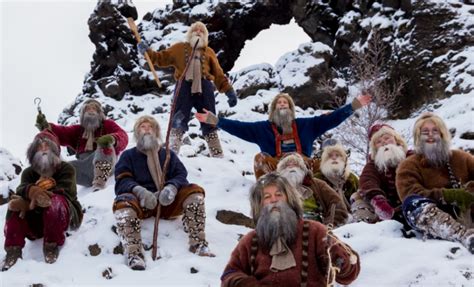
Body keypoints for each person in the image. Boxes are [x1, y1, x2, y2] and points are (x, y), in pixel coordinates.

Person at [220, 172, 360, 287]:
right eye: (267, 197)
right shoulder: (250, 240)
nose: (274, 200)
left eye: (279, 195)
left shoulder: (315, 231)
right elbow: (229, 274)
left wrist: (341, 261)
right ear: (260, 204)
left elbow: (349, 274)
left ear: (289, 199)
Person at [112, 115, 214, 270]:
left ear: (157, 132)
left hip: (167, 203)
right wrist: (141, 192)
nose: (147, 130)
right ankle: (134, 254)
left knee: (194, 192)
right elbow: (121, 180)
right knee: (123, 204)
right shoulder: (129, 155)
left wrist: (171, 188)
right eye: (143, 127)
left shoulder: (167, 154)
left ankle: (198, 243)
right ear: (137, 132)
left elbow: (181, 175)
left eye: (150, 127)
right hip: (141, 204)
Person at [196, 92, 371, 179]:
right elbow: (238, 127)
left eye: (286, 103)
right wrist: (214, 120)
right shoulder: (262, 128)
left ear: (291, 109)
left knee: (326, 160)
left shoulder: (306, 125)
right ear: (273, 110)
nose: (282, 105)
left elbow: (333, 119)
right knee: (260, 158)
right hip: (276, 170)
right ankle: (267, 191)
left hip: (304, 167)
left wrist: (354, 105)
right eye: (279, 103)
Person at [138, 21, 237, 158]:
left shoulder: (209, 52)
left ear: (205, 35)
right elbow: (161, 58)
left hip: (205, 87)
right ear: (190, 33)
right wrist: (147, 52)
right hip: (183, 87)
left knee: (210, 119)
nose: (198, 32)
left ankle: (217, 154)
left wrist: (229, 91)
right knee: (178, 118)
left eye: (201, 30)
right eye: (195, 30)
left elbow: (219, 74)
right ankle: (171, 154)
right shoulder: (179, 48)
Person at [2, 130, 83, 271]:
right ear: (33, 152)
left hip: (64, 217)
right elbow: (21, 188)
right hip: (37, 223)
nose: (44, 149)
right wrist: (30, 193)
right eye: (40, 146)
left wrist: (40, 195)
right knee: (15, 206)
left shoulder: (66, 168)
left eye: (47, 146)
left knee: (55, 201)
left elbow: (66, 191)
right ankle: (13, 251)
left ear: (55, 150)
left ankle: (51, 246)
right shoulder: (29, 172)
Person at [396, 112, 474, 253]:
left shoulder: (461, 157)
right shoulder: (408, 165)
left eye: (435, 131)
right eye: (425, 132)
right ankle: (464, 236)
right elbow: (409, 194)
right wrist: (448, 195)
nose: (430, 135)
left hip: (467, 213)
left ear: (443, 134)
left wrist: (468, 193)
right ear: (418, 137)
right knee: (412, 203)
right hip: (434, 217)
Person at [36, 99, 128, 190]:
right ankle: (46, 189)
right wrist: (46, 126)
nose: (91, 110)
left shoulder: (108, 124)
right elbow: (61, 133)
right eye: (88, 108)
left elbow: (123, 136)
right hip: (84, 169)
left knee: (105, 144)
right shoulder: (78, 130)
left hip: (106, 165)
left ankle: (99, 184)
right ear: (83, 114)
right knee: (60, 168)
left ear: (100, 113)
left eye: (94, 108)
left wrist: (113, 138)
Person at [351, 123, 410, 225]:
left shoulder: (411, 157)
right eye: (378, 141)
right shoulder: (373, 165)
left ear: (397, 140)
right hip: (387, 208)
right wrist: (379, 202)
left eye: (387, 138)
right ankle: (364, 228)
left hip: (412, 203)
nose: (384, 143)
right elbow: (368, 182)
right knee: (358, 196)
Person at [276, 152, 348, 227]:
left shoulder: (317, 184)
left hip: (315, 227)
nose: (291, 167)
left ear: (303, 168)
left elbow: (337, 203)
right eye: (287, 165)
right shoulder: (273, 187)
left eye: (296, 164)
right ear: (281, 170)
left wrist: (330, 224)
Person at [314, 138, 358, 210]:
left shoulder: (352, 178)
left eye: (337, 155)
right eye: (330, 156)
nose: (334, 158)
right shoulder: (317, 179)